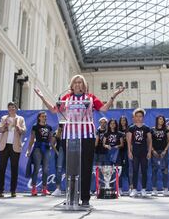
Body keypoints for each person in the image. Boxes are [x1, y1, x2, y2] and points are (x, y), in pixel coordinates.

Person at [34, 74, 124, 206]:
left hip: (87, 135)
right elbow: (54, 110)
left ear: (84, 85)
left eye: (80, 82)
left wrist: (114, 95)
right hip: (69, 135)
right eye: (75, 82)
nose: (78, 84)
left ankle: (85, 197)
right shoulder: (66, 98)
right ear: (71, 85)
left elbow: (104, 108)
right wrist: (41, 96)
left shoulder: (90, 97)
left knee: (86, 166)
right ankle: (71, 196)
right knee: (70, 167)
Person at [0, 102, 26, 198]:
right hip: (4, 146)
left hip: (15, 146)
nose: (11, 109)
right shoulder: (4, 118)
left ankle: (13, 190)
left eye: (13, 107)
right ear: (8, 109)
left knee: (14, 168)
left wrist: (18, 126)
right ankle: (0, 190)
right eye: (9, 107)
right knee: (2, 168)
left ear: (16, 108)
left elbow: (24, 131)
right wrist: (4, 126)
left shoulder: (20, 119)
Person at [26, 111, 53, 196]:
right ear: (39, 117)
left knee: (45, 169)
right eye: (42, 116)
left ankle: (44, 189)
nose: (44, 118)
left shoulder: (49, 127)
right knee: (37, 168)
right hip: (37, 148)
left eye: (45, 116)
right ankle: (34, 188)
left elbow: (51, 139)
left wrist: (53, 147)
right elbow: (31, 139)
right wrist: (28, 150)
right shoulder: (35, 126)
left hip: (47, 148)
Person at [127, 108, 152, 197]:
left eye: (140, 116)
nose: (138, 118)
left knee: (144, 170)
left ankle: (144, 189)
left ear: (143, 117)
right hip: (135, 152)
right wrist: (129, 152)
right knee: (135, 170)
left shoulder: (146, 128)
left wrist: (149, 152)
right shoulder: (131, 128)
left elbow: (149, 140)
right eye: (137, 116)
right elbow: (129, 141)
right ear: (134, 117)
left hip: (144, 152)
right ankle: (134, 189)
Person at [151, 115, 169, 196]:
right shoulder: (152, 129)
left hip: (164, 152)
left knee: (165, 170)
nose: (162, 120)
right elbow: (149, 141)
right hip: (155, 152)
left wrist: (165, 151)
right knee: (154, 170)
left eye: (163, 119)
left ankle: (166, 189)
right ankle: (154, 189)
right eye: (160, 119)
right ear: (157, 120)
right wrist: (152, 150)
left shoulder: (166, 130)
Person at [118, 115, 132, 195]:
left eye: (124, 120)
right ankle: (119, 188)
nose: (123, 122)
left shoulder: (129, 129)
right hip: (119, 151)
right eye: (121, 120)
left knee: (128, 169)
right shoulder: (117, 130)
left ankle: (131, 188)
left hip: (127, 150)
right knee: (119, 169)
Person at [51, 124, 65, 196]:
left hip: (68, 152)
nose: (62, 127)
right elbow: (52, 144)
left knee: (70, 170)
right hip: (60, 152)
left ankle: (70, 188)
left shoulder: (69, 132)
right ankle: (58, 189)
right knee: (59, 170)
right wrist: (57, 152)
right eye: (61, 125)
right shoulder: (56, 133)